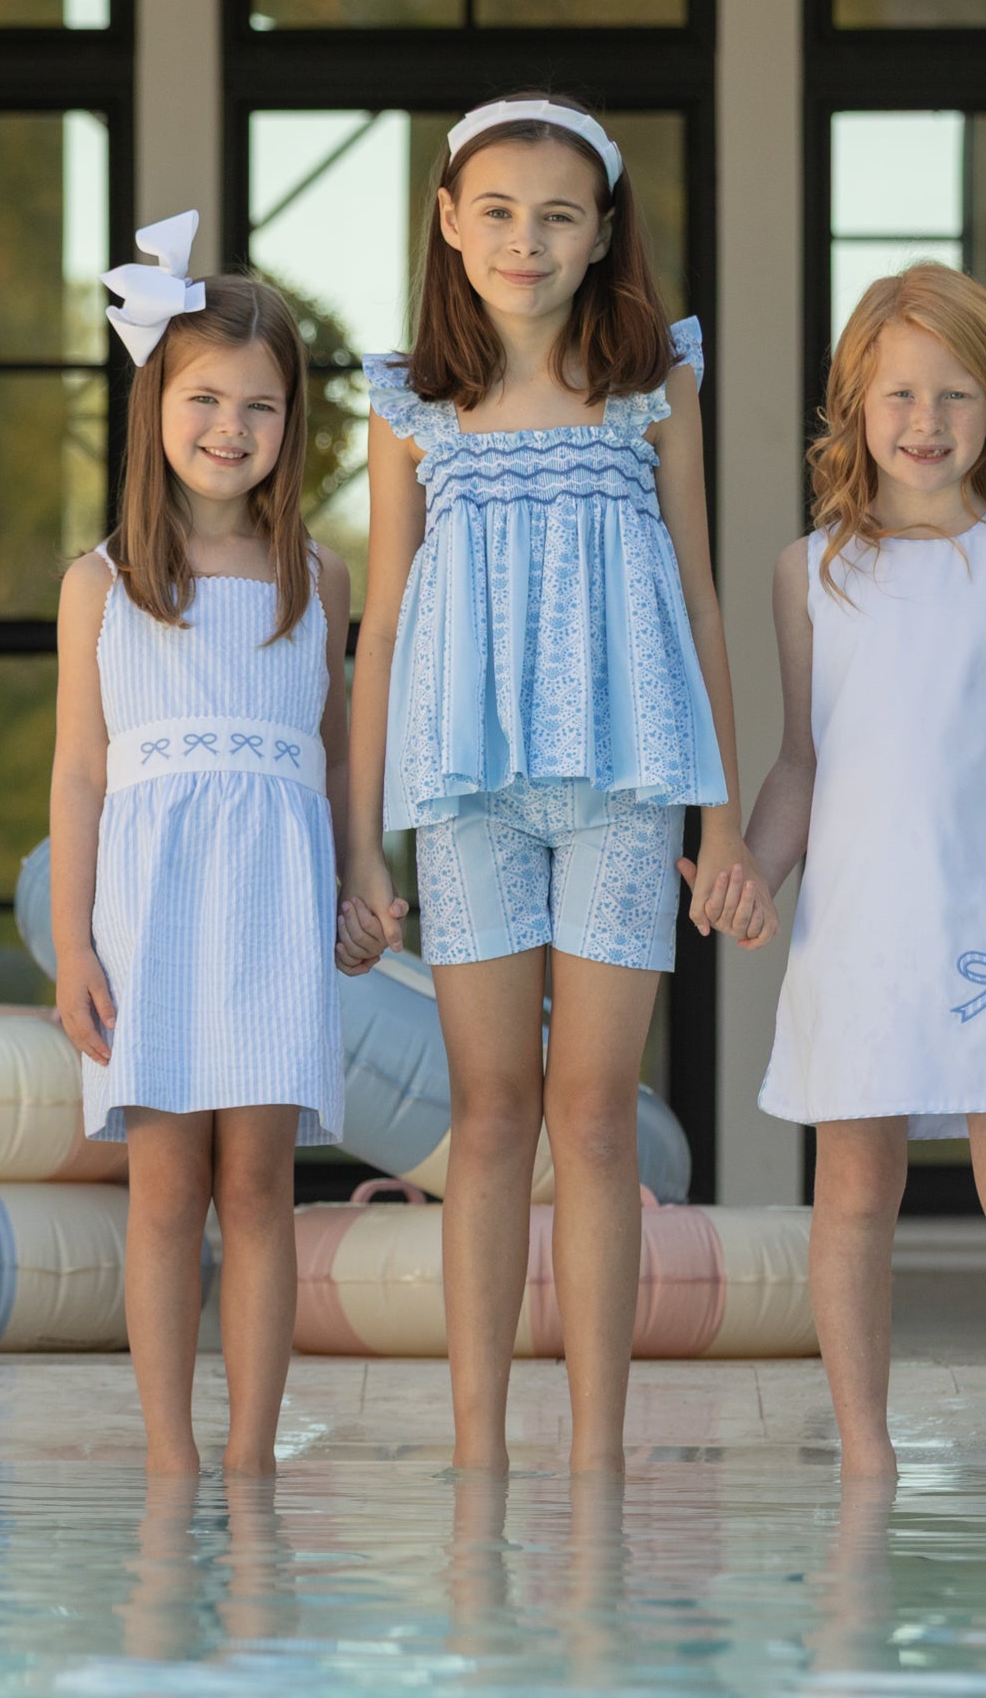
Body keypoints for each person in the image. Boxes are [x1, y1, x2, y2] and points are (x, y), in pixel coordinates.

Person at [336, 94, 773, 1473]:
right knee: (490, 1114)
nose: (527, 239)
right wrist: (363, 846)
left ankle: (595, 1450)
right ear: (453, 225)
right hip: (466, 795)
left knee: (592, 1113)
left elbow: (700, 597)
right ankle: (480, 1453)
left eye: (559, 215)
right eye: (501, 211)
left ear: (602, 237)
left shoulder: (654, 385)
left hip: (627, 785)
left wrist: (723, 815)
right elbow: (387, 627)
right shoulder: (413, 404)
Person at [745, 260, 986, 1481]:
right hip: (857, 936)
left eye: (954, 395)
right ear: (852, 405)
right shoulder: (807, 576)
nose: (924, 423)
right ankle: (865, 1453)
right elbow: (801, 762)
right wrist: (750, 866)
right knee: (852, 1189)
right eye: (897, 393)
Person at [49, 211, 351, 1477]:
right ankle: (172, 1453)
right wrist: (71, 942)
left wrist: (357, 880)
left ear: (293, 426)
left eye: (261, 405)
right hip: (154, 915)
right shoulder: (104, 582)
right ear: (154, 404)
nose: (230, 426)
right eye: (204, 397)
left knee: (260, 1187)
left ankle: (250, 1454)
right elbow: (77, 772)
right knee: (167, 1188)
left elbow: (332, 757)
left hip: (271, 911)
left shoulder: (317, 577)